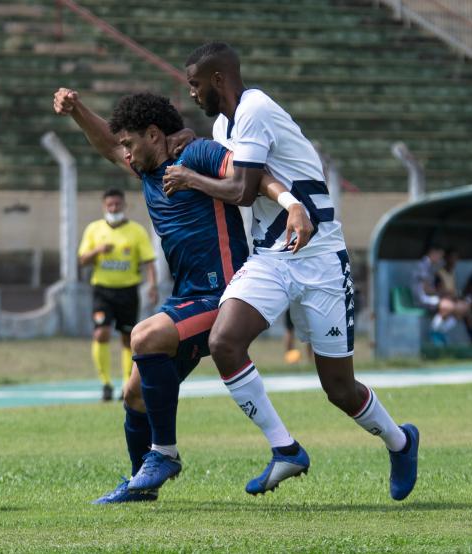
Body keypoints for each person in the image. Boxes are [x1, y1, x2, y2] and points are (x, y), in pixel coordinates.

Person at [162, 41, 419, 501]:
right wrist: (199, 148)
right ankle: (285, 449)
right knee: (224, 342)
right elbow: (244, 173)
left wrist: (189, 176)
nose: (193, 94)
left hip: (320, 258)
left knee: (338, 388)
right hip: (272, 256)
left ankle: (400, 441)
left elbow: (242, 188)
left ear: (218, 79)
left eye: (195, 84)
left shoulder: (256, 108)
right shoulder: (224, 123)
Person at [53, 88, 312, 503]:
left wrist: (291, 203)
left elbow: (251, 176)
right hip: (187, 298)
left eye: (130, 143)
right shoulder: (147, 168)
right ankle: (142, 483)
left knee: (143, 336)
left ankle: (165, 454)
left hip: (225, 293)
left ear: (154, 134)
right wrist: (78, 110)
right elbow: (106, 144)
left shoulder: (195, 154)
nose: (125, 154)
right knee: (133, 393)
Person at [78, 188, 157, 401]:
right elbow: (83, 259)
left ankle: (126, 383)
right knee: (101, 333)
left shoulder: (136, 231)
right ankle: (105, 383)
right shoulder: (94, 230)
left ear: (124, 206)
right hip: (102, 291)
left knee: (127, 338)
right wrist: (97, 251)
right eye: (110, 205)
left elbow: (149, 261)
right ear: (104, 207)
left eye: (117, 205)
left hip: (128, 291)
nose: (114, 209)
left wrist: (152, 286)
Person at [412, 244, 470, 345]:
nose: (441, 259)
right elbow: (426, 290)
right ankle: (433, 332)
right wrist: (443, 293)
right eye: (440, 255)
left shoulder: (431, 266)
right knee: (449, 306)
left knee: (462, 308)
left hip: (430, 297)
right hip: (422, 299)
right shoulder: (424, 265)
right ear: (433, 253)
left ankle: (440, 332)